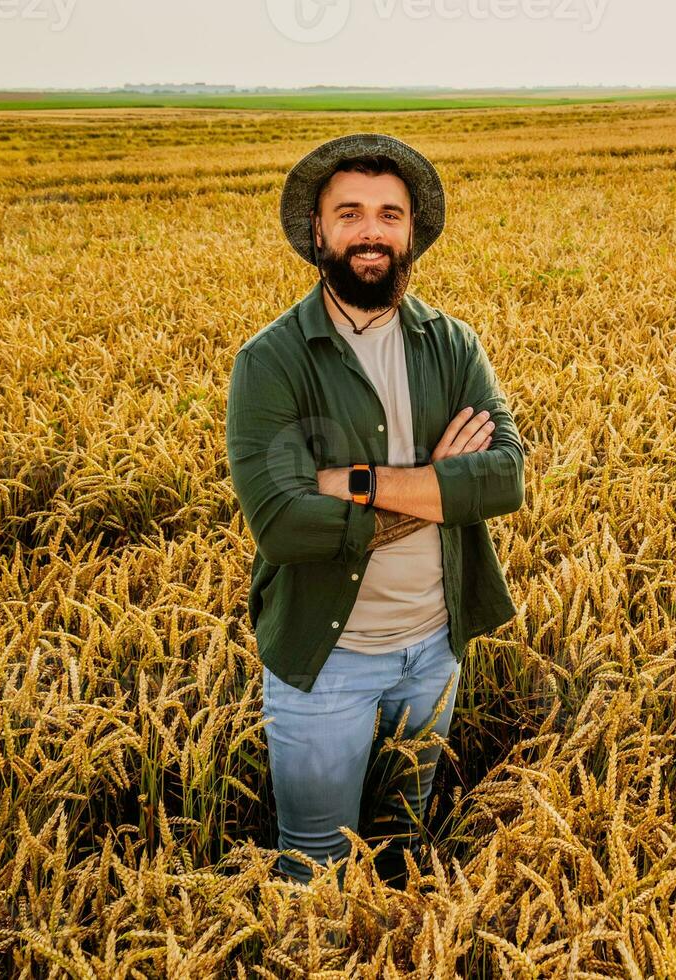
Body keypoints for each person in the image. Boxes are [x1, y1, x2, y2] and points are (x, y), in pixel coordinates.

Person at [224, 132, 526, 888]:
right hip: (328, 666)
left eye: (389, 214)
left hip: (434, 652)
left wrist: (357, 482)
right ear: (318, 232)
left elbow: (504, 479)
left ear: (411, 231)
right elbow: (286, 527)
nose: (371, 230)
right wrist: (438, 488)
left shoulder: (451, 344)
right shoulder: (272, 361)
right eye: (350, 213)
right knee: (314, 874)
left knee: (403, 854)